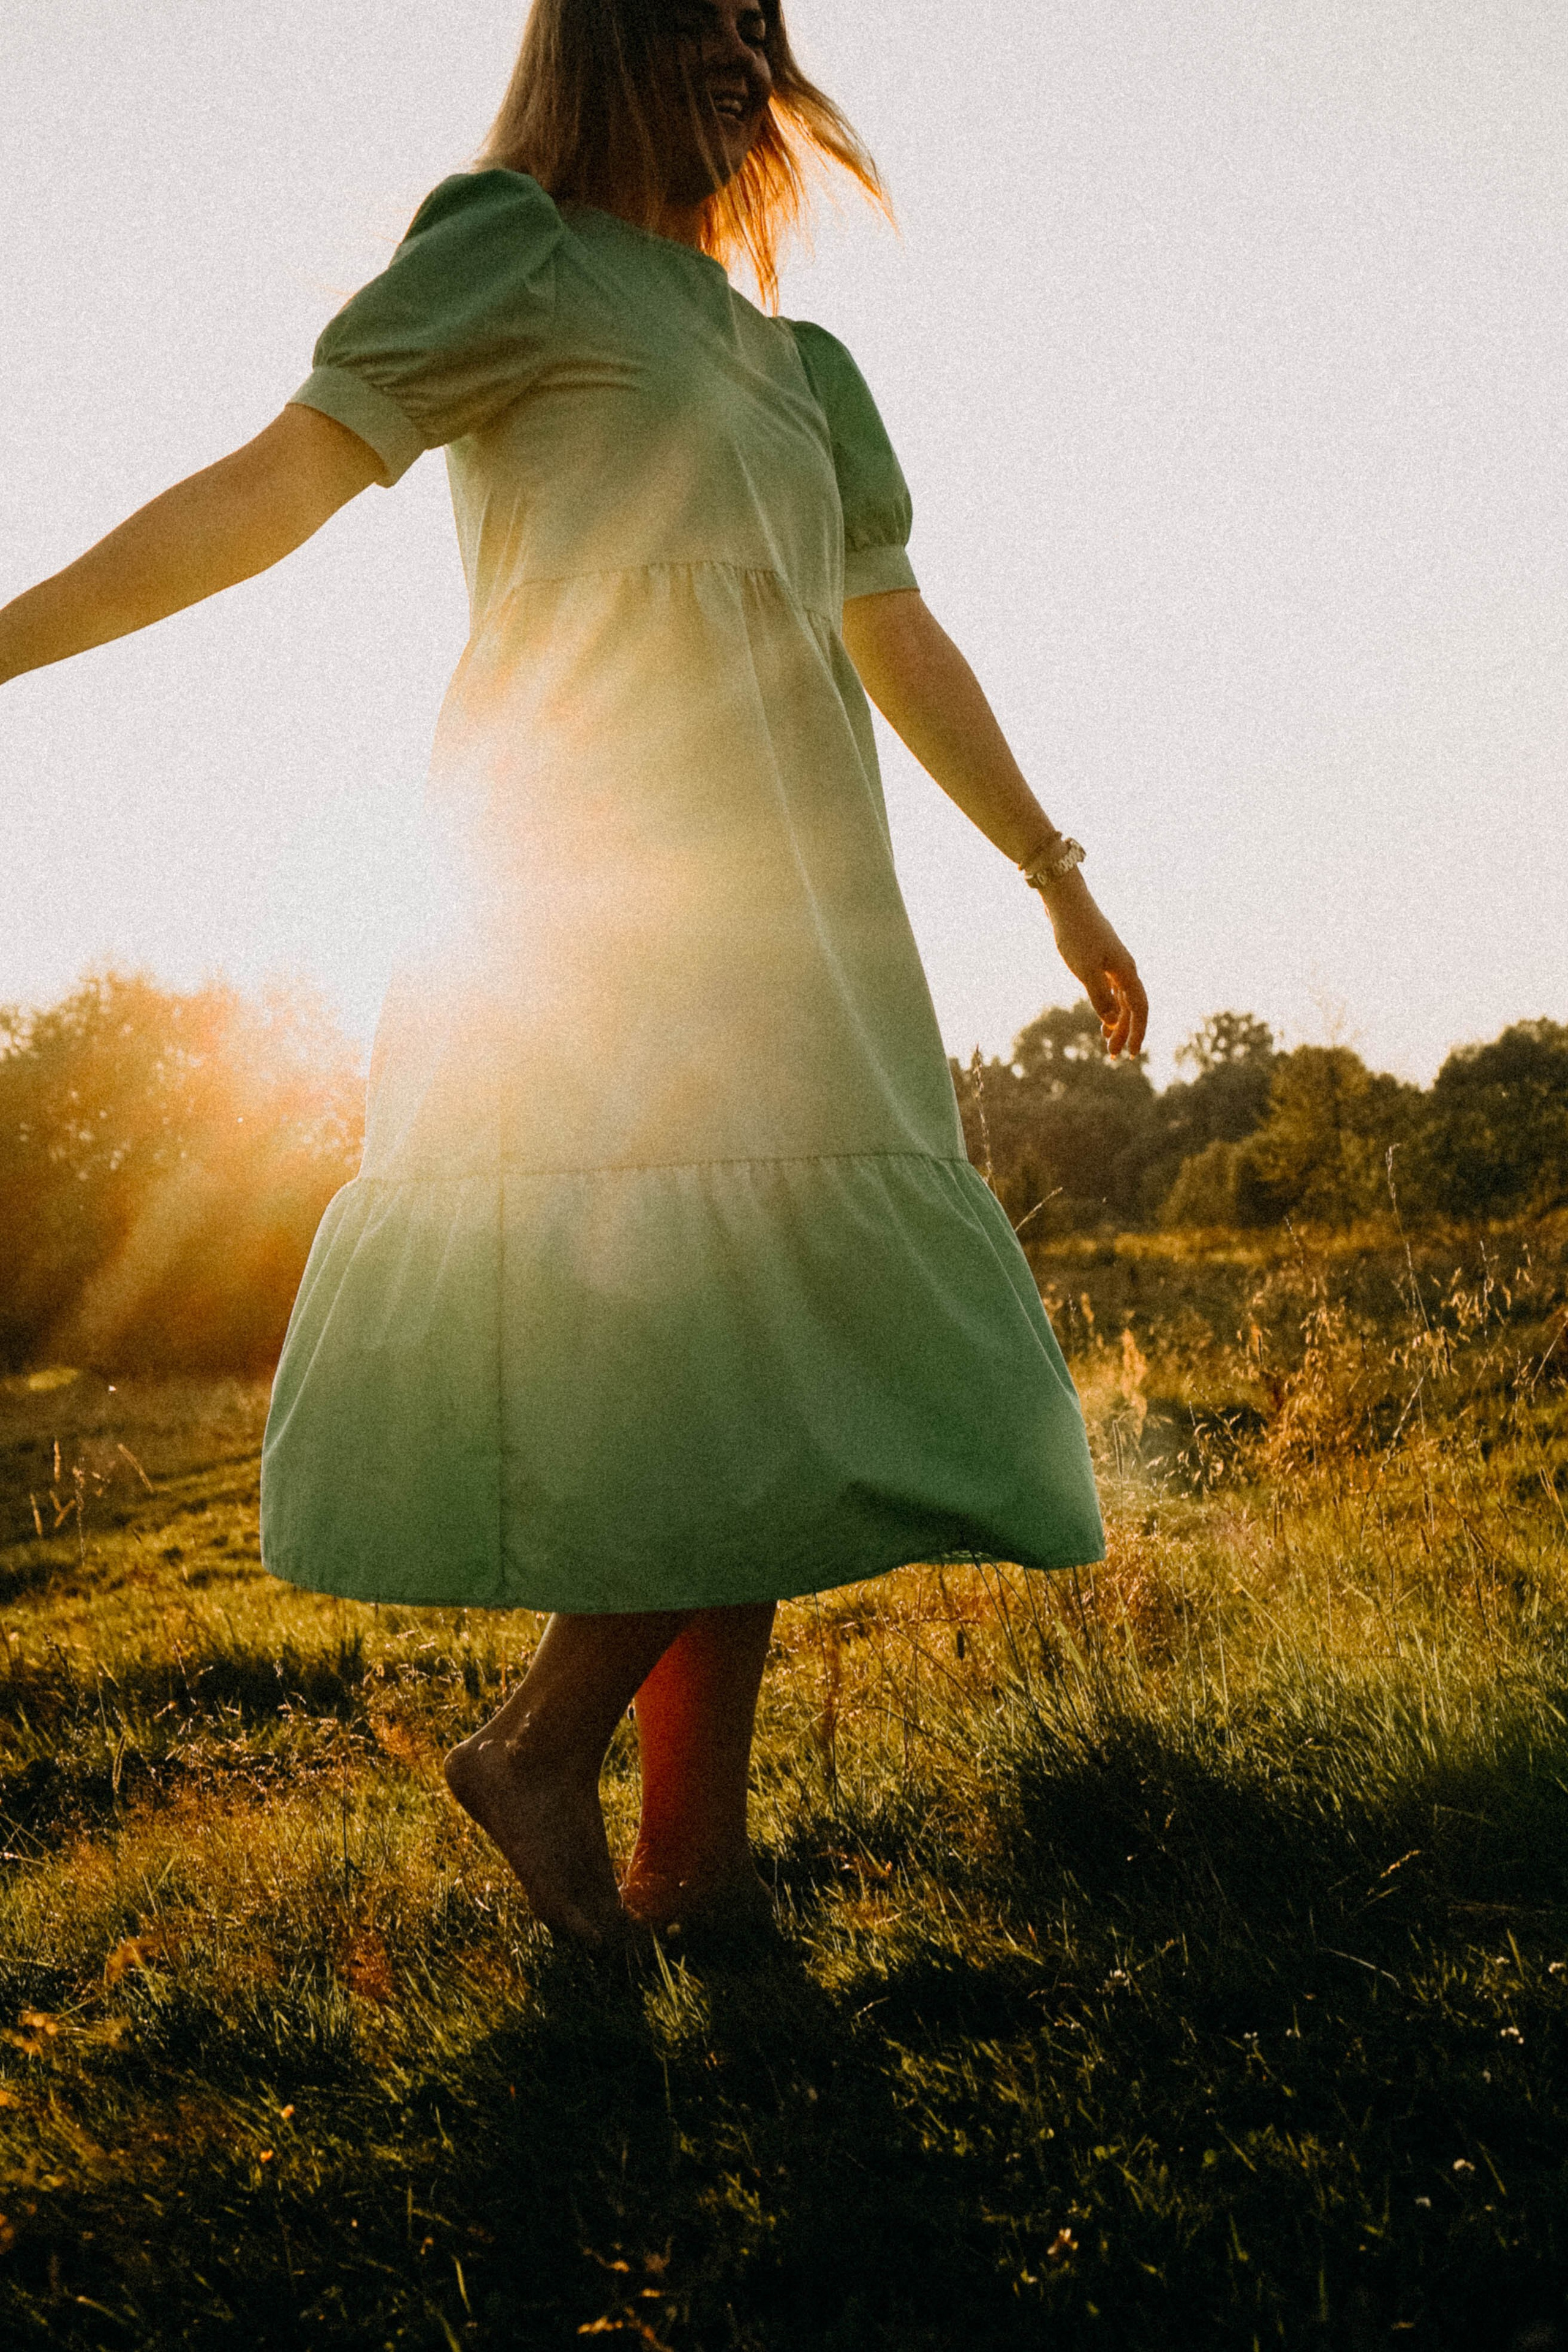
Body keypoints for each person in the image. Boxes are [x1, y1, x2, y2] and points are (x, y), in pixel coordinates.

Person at [0, 0, 1146, 1950]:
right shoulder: (508, 250)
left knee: (768, 1329)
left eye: (757, 27)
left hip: (800, 897)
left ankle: (690, 1867)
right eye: (693, 17)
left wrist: (1055, 873)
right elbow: (270, 491)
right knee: (732, 1347)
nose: (736, 53)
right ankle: (545, 1750)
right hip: (598, 887)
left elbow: (900, 637)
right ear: (599, 41)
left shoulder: (805, 366)